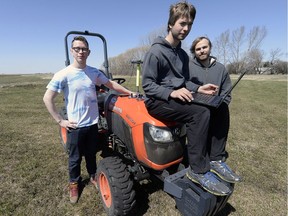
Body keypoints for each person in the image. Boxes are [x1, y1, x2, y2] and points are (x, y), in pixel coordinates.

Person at [142, 1, 234, 196]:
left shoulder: (183, 55)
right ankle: (198, 170)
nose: (186, 28)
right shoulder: (156, 51)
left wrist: (199, 87)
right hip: (157, 101)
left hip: (176, 97)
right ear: (170, 24)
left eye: (189, 24)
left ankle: (216, 159)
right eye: (182, 23)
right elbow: (148, 86)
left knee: (219, 105)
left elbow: (183, 81)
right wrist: (171, 93)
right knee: (200, 113)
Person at [43, 36, 134, 204]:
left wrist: (129, 93)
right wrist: (60, 121)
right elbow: (47, 98)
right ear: (72, 51)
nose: (80, 51)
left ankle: (93, 175)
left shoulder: (93, 72)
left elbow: (111, 85)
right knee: (75, 158)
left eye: (83, 49)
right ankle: (74, 184)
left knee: (91, 153)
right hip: (75, 126)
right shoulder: (63, 74)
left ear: (89, 52)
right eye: (77, 48)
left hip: (93, 123)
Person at [189, 36, 241, 184]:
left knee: (223, 109)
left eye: (204, 47)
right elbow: (183, 84)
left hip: (215, 104)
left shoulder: (220, 68)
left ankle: (216, 159)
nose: (201, 51)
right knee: (201, 117)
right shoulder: (188, 66)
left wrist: (222, 101)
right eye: (198, 49)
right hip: (195, 103)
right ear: (194, 51)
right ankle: (200, 158)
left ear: (210, 47)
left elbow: (226, 91)